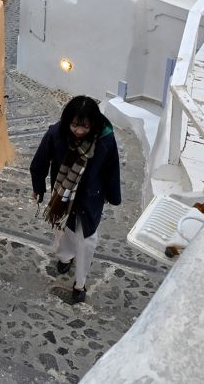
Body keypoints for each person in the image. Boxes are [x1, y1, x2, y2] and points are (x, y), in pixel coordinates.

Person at [29, 95, 121, 304]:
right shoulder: (57, 133)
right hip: (63, 195)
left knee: (87, 239)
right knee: (66, 229)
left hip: (90, 199)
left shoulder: (105, 140)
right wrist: (38, 188)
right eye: (74, 125)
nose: (79, 132)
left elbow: (111, 168)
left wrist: (113, 196)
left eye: (85, 127)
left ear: (93, 124)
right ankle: (65, 257)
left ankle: (80, 283)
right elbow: (40, 161)